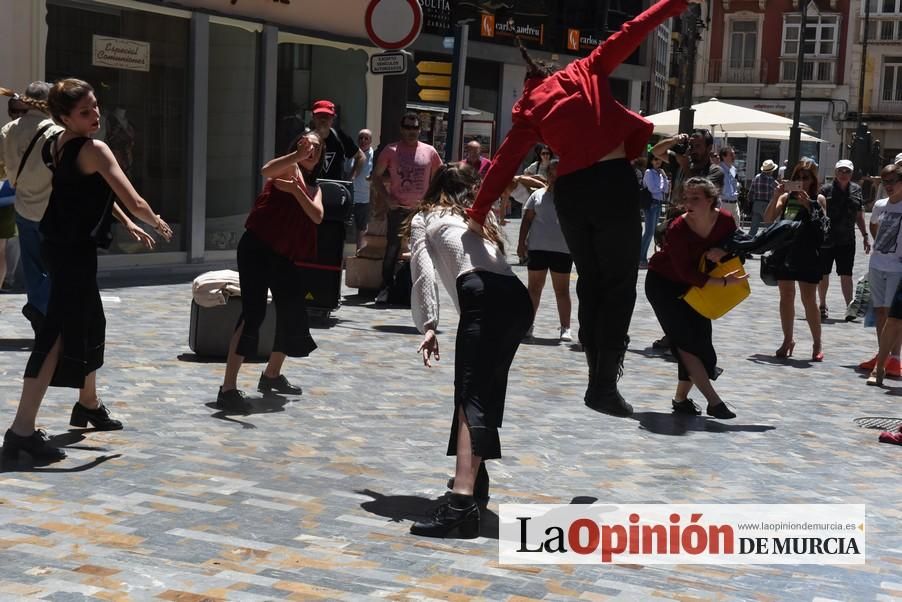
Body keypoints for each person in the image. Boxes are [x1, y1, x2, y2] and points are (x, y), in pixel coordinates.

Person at [466, 0, 700, 418]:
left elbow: (503, 163)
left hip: (570, 191)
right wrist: (674, 4)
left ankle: (599, 378)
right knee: (619, 285)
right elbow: (634, 29)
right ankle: (603, 385)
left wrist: (478, 212)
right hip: (611, 184)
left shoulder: (529, 112)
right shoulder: (583, 69)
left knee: (591, 282)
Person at [1, 79, 172, 463]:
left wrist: (126, 221)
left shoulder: (57, 144)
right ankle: (20, 431)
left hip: (61, 248)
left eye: (96, 107)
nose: (95, 115)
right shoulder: (94, 148)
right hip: (71, 254)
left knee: (93, 324)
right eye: (85, 112)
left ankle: (87, 403)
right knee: (54, 337)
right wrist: (153, 220)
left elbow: (89, 193)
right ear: (64, 117)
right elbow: (133, 196)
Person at [405, 163, 532, 538]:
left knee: (471, 397)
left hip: (482, 297)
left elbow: (423, 272)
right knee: (485, 391)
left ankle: (461, 506)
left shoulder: (425, 217)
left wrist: (428, 324)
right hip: (516, 298)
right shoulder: (479, 217)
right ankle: (476, 480)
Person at [217, 130, 324, 412]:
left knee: (292, 311)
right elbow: (266, 170)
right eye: (306, 145)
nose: (311, 151)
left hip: (282, 255)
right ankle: (227, 388)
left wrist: (297, 191)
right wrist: (296, 157)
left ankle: (271, 375)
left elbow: (317, 215)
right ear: (296, 147)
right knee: (254, 314)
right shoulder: (289, 167)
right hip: (257, 247)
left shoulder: (313, 187)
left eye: (316, 148)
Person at [645, 177, 742, 419]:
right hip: (664, 285)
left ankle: (680, 400)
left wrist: (725, 250)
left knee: (700, 343)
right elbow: (683, 271)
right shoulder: (678, 228)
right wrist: (722, 283)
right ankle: (714, 402)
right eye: (686, 198)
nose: (688, 203)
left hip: (697, 288)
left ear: (711, 200)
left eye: (695, 198)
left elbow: (738, 243)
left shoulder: (726, 221)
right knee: (685, 344)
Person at [0, 82, 60, 333]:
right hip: (52, 211)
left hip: (23, 208)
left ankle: (38, 309)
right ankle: (50, 315)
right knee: (55, 267)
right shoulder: (57, 133)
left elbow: (2, 168)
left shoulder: (8, 130)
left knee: (33, 266)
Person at [372, 112, 442, 304]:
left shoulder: (430, 151)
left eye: (415, 128)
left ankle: (422, 289)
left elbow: (440, 178)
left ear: (420, 130)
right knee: (392, 249)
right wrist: (386, 199)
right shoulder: (391, 150)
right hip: (398, 209)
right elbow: (375, 177)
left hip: (421, 211)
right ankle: (386, 287)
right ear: (402, 129)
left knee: (424, 250)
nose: (412, 132)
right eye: (408, 128)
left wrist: (434, 202)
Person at [763, 159, 829, 362]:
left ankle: (817, 342)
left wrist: (808, 204)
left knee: (808, 299)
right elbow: (768, 218)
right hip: (785, 251)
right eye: (798, 177)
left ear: (813, 180)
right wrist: (775, 197)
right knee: (786, 296)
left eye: (805, 178)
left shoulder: (818, 198)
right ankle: (788, 340)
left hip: (807, 252)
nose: (801, 181)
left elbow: (823, 225)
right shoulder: (785, 196)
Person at [516, 159, 572, 342]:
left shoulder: (572, 196)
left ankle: (565, 327)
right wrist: (520, 243)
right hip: (538, 248)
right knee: (534, 288)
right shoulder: (537, 195)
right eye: (552, 173)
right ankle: (527, 324)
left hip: (563, 249)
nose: (555, 177)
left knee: (562, 290)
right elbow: (527, 220)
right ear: (547, 175)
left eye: (559, 173)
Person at [859, 164, 902, 378]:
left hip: (897, 267)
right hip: (877, 263)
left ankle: (894, 357)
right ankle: (882, 353)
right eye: (885, 181)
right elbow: (873, 224)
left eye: (893, 181)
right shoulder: (880, 205)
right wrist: (879, 242)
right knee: (880, 311)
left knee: (893, 314)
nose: (888, 186)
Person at [817, 159, 870, 321]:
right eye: (841, 171)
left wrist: (865, 236)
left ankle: (850, 307)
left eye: (847, 171)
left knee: (846, 273)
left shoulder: (856, 190)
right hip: (826, 239)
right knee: (823, 273)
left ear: (851, 173)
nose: (843, 174)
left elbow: (859, 216)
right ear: (835, 172)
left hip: (847, 238)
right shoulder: (825, 190)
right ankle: (822, 305)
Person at [651, 129, 724, 206]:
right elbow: (655, 151)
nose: (693, 150)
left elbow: (699, 193)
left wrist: (685, 167)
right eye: (691, 145)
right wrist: (674, 140)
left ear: (709, 148)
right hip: (674, 215)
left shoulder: (715, 171)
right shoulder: (682, 160)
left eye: (697, 146)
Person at [310, 99, 364, 182]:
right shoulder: (304, 140)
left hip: (336, 190)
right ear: (313, 117)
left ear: (333, 118)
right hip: (310, 189)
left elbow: (361, 157)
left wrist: (350, 179)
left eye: (327, 116)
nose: (323, 120)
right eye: (319, 116)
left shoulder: (340, 137)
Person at [639, 154, 669, 268]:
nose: (658, 162)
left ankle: (642, 257)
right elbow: (653, 189)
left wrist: (665, 178)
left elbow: (666, 189)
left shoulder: (660, 173)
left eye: (660, 160)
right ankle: (640, 258)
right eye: (655, 159)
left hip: (658, 203)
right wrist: (661, 187)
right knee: (649, 232)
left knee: (651, 232)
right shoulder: (648, 172)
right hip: (651, 203)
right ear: (651, 161)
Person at [349, 128, 374, 250]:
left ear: (370, 141)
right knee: (348, 231)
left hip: (365, 200)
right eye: (361, 138)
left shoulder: (374, 157)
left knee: (362, 230)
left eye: (366, 138)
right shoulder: (352, 154)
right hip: (349, 198)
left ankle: (359, 254)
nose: (363, 140)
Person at [747, 159, 778, 237]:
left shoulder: (756, 177)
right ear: (771, 171)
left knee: (753, 228)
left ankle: (748, 244)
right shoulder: (771, 180)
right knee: (770, 227)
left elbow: (750, 193)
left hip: (756, 204)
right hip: (767, 205)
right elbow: (778, 191)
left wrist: (750, 202)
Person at [718, 146, 740, 226]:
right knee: (722, 229)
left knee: (736, 229)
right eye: (731, 154)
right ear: (723, 156)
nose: (733, 157)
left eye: (734, 154)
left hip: (734, 203)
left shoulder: (734, 169)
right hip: (724, 203)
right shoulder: (718, 169)